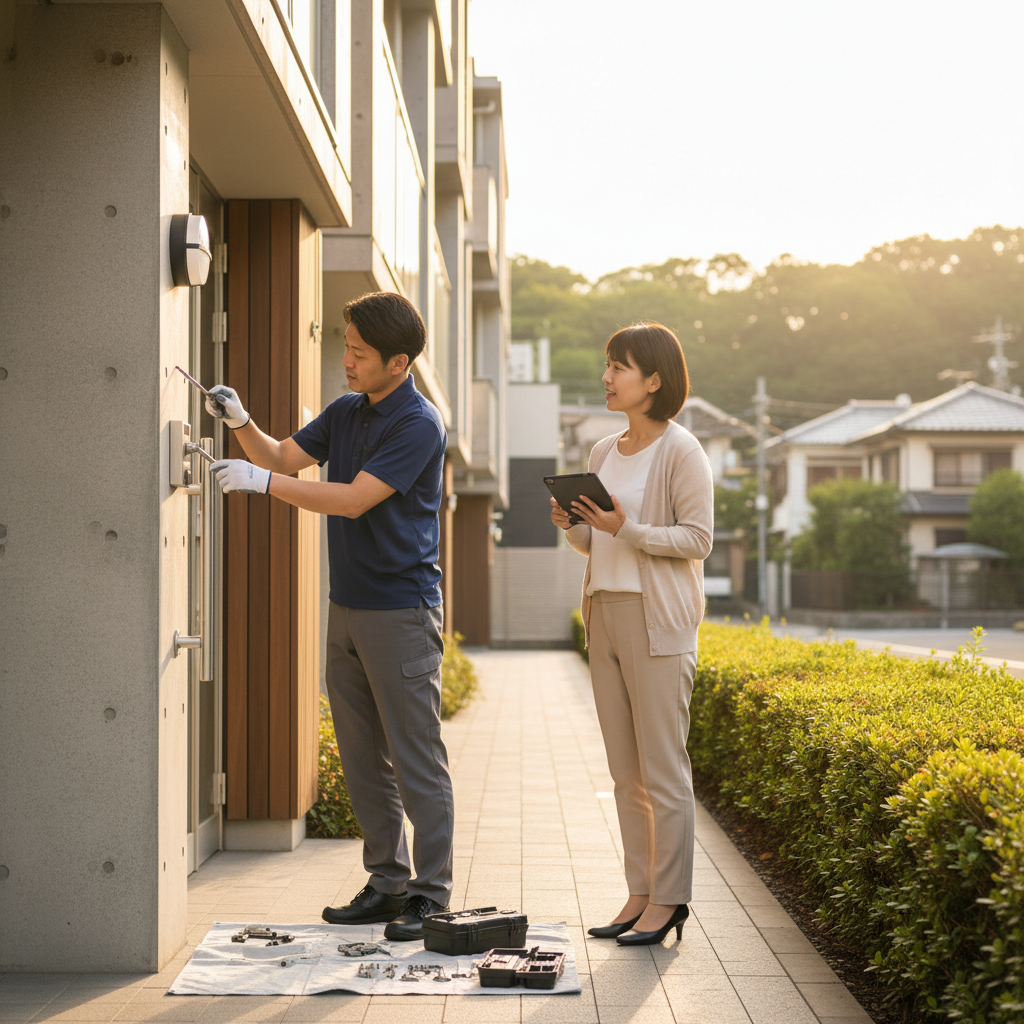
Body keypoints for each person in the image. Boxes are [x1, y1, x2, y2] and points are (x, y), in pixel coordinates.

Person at [207, 291, 453, 941]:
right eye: (345, 345)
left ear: (398, 363)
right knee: (361, 756)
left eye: (360, 353)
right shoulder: (346, 411)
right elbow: (283, 458)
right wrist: (239, 420)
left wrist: (264, 489)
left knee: (416, 758)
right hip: (346, 607)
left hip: (401, 612)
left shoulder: (418, 424)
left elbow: (351, 501)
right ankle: (387, 882)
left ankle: (431, 894)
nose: (346, 359)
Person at [550, 322, 713, 946]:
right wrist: (574, 523)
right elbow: (590, 543)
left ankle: (670, 900)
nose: (606, 377)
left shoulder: (682, 450)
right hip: (604, 613)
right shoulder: (600, 454)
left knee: (664, 770)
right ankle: (640, 892)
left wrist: (627, 526)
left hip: (657, 620)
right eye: (607, 365)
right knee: (626, 773)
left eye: (619, 367)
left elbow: (697, 540)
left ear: (654, 380)